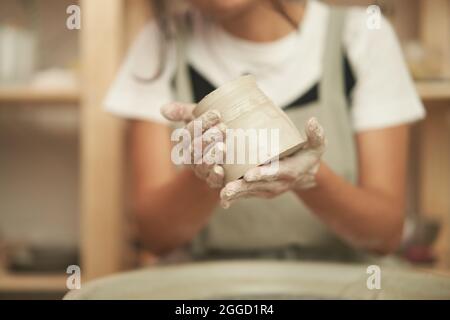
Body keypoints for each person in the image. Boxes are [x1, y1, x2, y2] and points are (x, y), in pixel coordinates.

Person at [104, 0, 425, 262]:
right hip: (209, 288)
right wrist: (208, 173)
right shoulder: (161, 44)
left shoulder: (361, 36)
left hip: (337, 280)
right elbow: (153, 237)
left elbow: (385, 235)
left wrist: (311, 177)